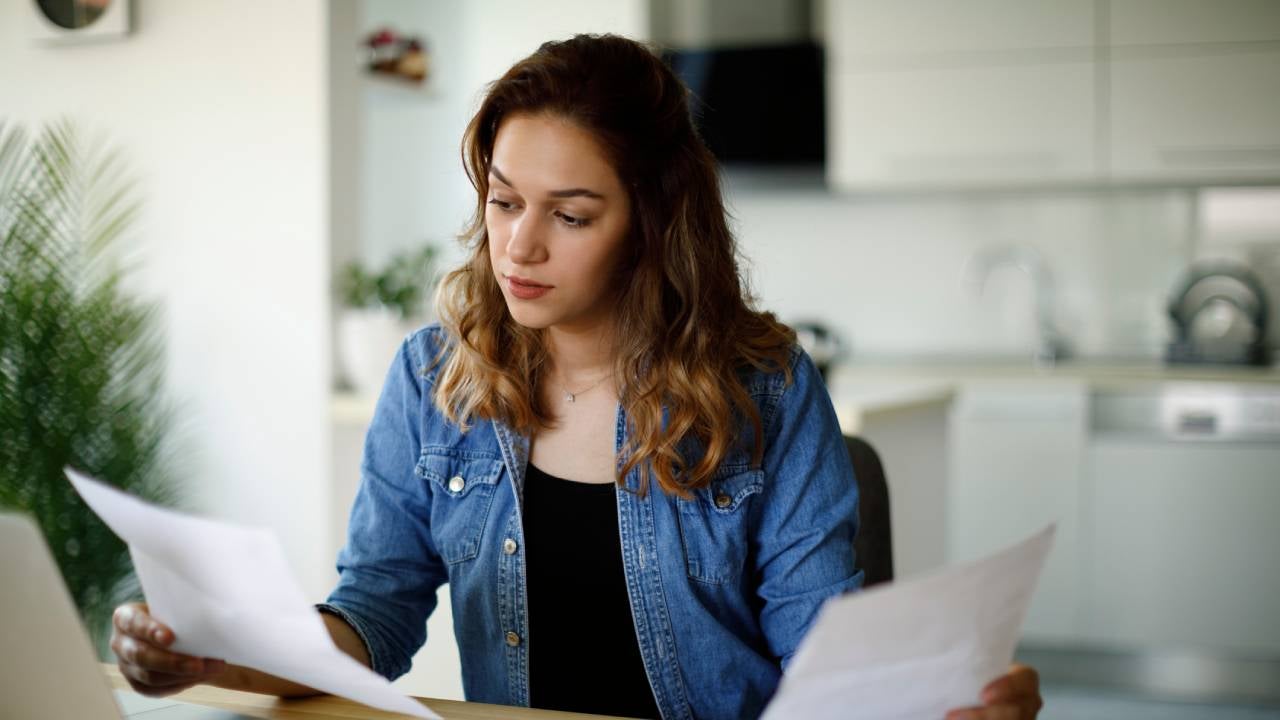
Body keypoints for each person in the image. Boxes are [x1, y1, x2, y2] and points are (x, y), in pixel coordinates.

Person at [110, 34, 1043, 720]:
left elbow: (828, 664)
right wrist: (220, 657)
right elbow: (374, 617)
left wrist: (951, 702)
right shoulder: (435, 381)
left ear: (652, 222)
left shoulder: (764, 389)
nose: (518, 245)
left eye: (572, 214)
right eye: (504, 200)